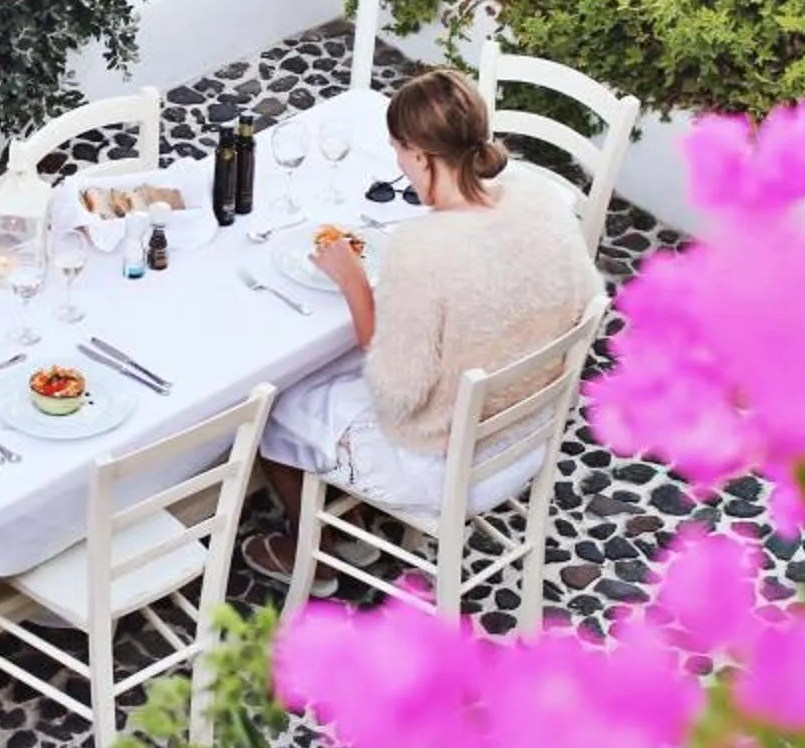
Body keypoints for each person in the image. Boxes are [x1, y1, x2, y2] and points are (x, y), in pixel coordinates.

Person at [243, 68, 599, 576]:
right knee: (332, 377)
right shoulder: (540, 199)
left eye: (396, 150)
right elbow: (582, 300)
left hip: (447, 464)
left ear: (418, 154)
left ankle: (315, 553)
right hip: (531, 434)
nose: (398, 163)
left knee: (279, 405)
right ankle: (354, 523)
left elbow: (396, 390)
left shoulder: (424, 248)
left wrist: (352, 282)